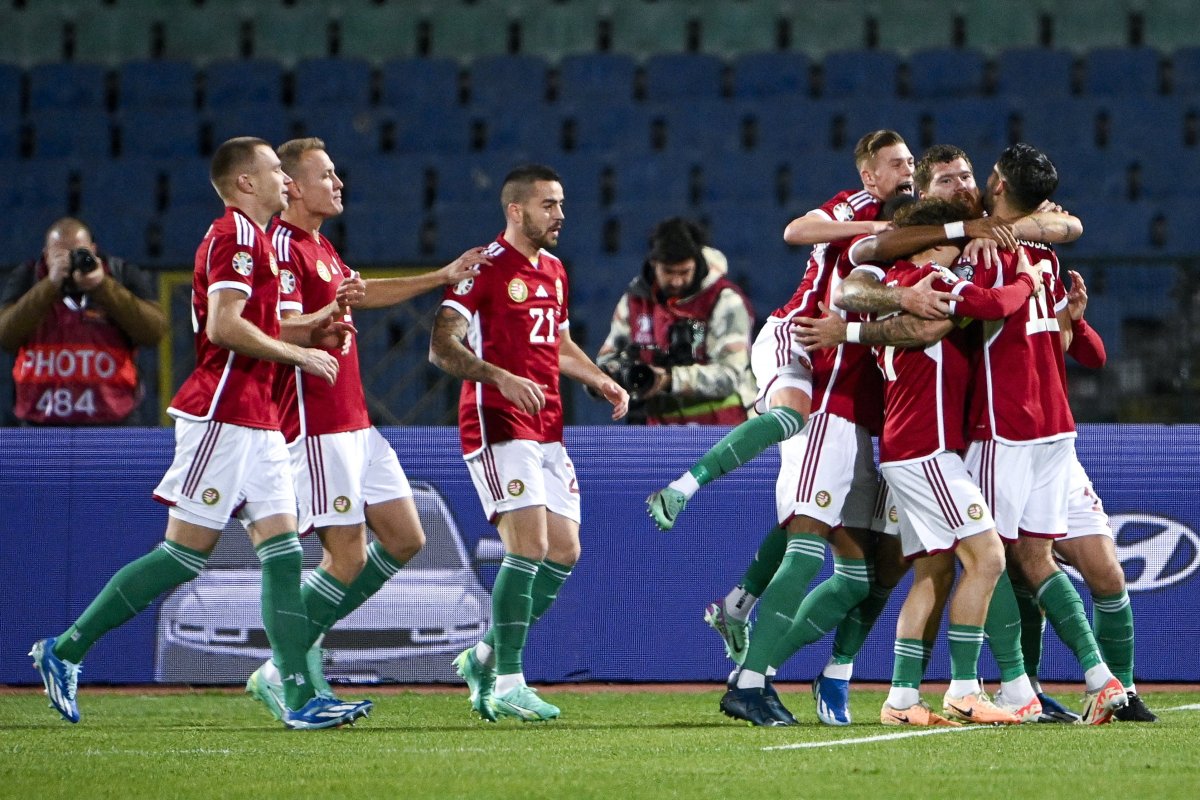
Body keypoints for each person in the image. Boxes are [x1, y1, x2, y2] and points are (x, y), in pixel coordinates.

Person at [29, 137, 370, 730]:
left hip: (258, 415)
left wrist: (318, 325)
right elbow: (224, 326)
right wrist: (301, 356)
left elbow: (264, 325)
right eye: (272, 171)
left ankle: (299, 698)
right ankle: (65, 649)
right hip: (223, 412)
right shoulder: (234, 236)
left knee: (285, 556)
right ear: (244, 183)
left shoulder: (259, 240)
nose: (284, 180)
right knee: (183, 556)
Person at [242, 137, 489, 720]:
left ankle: (283, 663)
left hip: (355, 421)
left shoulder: (320, 247)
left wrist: (442, 276)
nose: (339, 183)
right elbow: (272, 324)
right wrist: (316, 326)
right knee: (346, 557)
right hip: (317, 422)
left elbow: (362, 293)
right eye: (326, 175)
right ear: (294, 188)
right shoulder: (282, 245)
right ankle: (287, 669)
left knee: (405, 538)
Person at [429, 164, 628, 722]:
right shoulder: (482, 269)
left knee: (565, 551)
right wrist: (498, 376)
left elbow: (557, 343)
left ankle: (484, 655)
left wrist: (598, 377)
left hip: (547, 427)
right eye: (548, 205)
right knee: (529, 548)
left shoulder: (556, 271)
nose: (560, 214)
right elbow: (442, 347)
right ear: (515, 211)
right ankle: (510, 679)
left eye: (561, 204)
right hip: (496, 421)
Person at [0, 217, 167, 425]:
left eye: (78, 253)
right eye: (59, 255)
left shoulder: (120, 273)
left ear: (93, 250)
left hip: (113, 425)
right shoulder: (28, 277)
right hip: (39, 426)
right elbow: (5, 336)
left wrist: (102, 286)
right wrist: (49, 285)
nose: (69, 261)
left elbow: (154, 332)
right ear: (45, 255)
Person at [596, 217, 754, 425]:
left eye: (684, 272)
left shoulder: (725, 301)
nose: (676, 281)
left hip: (723, 427)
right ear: (654, 264)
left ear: (697, 263)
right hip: (658, 433)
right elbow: (606, 361)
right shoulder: (635, 301)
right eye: (668, 272)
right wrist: (616, 376)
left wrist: (670, 379)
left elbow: (731, 375)